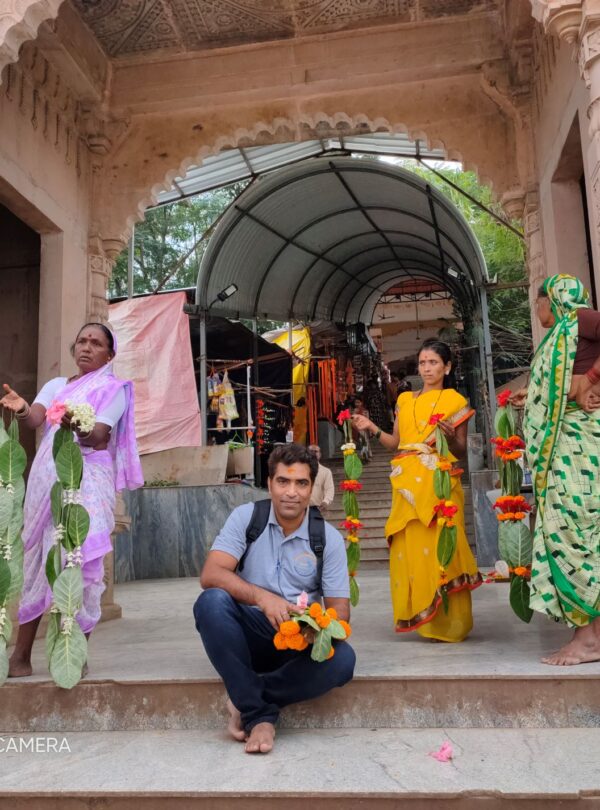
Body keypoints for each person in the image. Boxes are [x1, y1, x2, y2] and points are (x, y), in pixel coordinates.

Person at [0, 323, 143, 677]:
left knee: (81, 563)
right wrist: (20, 408)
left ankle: (73, 651)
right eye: (82, 341)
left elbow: (97, 436)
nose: (87, 347)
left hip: (87, 481)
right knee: (38, 565)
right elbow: (35, 418)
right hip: (46, 483)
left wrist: (73, 422)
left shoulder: (114, 390)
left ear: (110, 355)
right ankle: (21, 656)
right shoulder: (55, 386)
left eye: (96, 343)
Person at [193, 443, 355, 755]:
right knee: (211, 602)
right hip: (251, 634)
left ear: (312, 488)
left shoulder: (328, 539)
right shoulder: (246, 518)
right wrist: (263, 599)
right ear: (269, 484)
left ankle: (246, 697)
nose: (291, 492)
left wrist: (314, 628)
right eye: (283, 481)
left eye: (301, 483)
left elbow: (341, 611)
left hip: (297, 645)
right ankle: (260, 716)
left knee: (344, 660)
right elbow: (211, 573)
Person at [352, 339, 482, 642]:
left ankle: (453, 624)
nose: (427, 368)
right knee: (411, 550)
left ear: (446, 367)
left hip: (438, 485)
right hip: (407, 484)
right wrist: (371, 426)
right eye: (423, 362)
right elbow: (396, 443)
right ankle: (426, 619)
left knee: (442, 552)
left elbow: (460, 451)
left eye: (434, 362)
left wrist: (449, 438)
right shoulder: (404, 400)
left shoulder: (455, 400)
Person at [511, 274, 600, 665]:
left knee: (574, 534)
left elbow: (578, 385)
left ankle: (586, 641)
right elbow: (558, 389)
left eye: (538, 300)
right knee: (582, 535)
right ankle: (593, 637)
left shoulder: (578, 321)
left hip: (577, 452)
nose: (538, 308)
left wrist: (592, 380)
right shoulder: (562, 336)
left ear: (554, 299)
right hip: (570, 449)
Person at [308, 444, 335, 514]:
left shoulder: (326, 472)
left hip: (317, 508)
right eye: (311, 451)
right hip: (300, 508)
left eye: (315, 451)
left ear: (319, 454)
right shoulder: (299, 470)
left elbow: (329, 489)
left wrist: (326, 501)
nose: (313, 453)